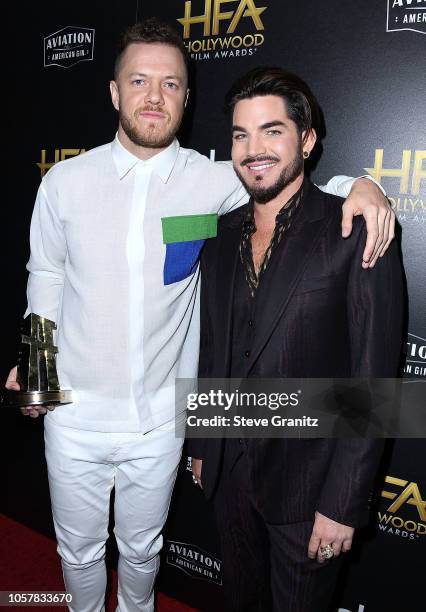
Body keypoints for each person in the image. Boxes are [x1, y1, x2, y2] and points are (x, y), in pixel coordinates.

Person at [5, 18, 394, 612]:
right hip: (74, 416)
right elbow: (46, 276)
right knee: (78, 552)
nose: (154, 97)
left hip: (162, 422)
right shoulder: (64, 182)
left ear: (187, 99)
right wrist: (36, 367)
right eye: (139, 81)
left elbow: (289, 181)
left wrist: (363, 185)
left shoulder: (216, 181)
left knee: (143, 551)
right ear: (114, 92)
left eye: (170, 84)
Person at [189, 67, 404, 611]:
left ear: (306, 141)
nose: (253, 148)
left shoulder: (353, 228)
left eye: (272, 131)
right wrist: (202, 443)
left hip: (309, 492)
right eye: (241, 135)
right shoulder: (218, 238)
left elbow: (373, 380)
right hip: (229, 480)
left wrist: (342, 502)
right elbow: (214, 349)